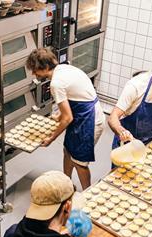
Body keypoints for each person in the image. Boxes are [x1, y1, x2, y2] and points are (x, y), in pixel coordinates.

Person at [26, 48, 105, 190]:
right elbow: (76, 98)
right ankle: (66, 185)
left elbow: (68, 118)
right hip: (81, 116)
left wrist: (51, 138)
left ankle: (88, 193)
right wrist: (59, 116)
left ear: (44, 67)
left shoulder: (56, 84)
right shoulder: (65, 68)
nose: (34, 74)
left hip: (89, 121)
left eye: (35, 70)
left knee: (80, 163)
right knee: (67, 151)